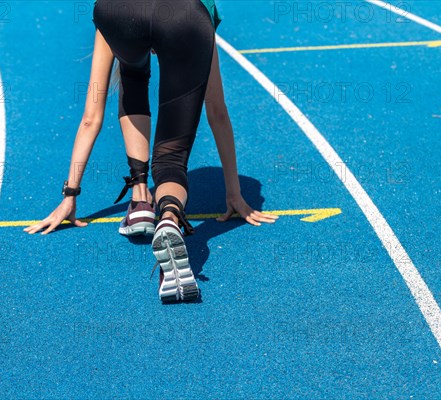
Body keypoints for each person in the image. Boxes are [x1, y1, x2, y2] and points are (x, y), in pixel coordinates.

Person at [25, 1, 278, 302]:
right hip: (184, 16)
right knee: (170, 157)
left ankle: (140, 200)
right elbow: (217, 112)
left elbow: (91, 118)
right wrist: (233, 192)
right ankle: (170, 217)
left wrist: (70, 195)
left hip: (118, 12)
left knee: (131, 76)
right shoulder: (204, 9)